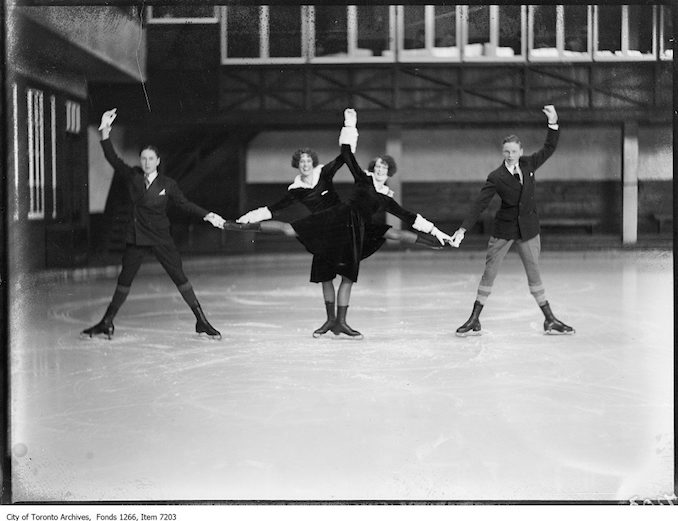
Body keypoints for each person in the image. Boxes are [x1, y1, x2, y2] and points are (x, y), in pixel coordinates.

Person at [225, 109, 454, 339]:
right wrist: (350, 125)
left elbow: (409, 216)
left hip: (357, 230)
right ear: (373, 169)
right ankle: (329, 321)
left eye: (385, 168)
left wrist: (437, 231)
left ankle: (437, 243)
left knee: (379, 247)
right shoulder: (363, 180)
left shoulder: (386, 197)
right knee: (314, 259)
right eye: (378, 167)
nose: (381, 170)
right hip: (338, 219)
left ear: (389, 173)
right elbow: (346, 153)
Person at [81, 108, 226, 340]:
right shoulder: (133, 178)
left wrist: (208, 215)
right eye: (144, 159)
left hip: (160, 237)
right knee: (124, 280)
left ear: (158, 161)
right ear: (141, 161)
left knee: (180, 277)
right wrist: (105, 129)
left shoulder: (168, 184)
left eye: (151, 159)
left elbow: (185, 204)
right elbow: (112, 159)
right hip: (137, 237)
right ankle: (106, 322)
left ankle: (201, 320)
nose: (147, 162)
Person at [450, 105, 574, 336]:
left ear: (520, 151)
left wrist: (553, 123)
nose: (510, 155)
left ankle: (549, 320)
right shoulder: (496, 177)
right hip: (504, 230)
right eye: (506, 151)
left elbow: (549, 147)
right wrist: (463, 229)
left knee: (534, 274)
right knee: (490, 272)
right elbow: (480, 203)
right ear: (502, 152)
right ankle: (474, 319)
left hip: (528, 230)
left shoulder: (529, 164)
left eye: (514, 151)